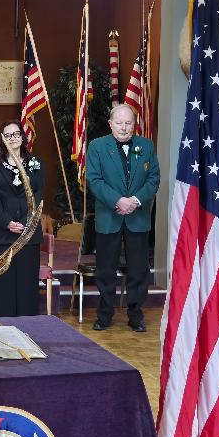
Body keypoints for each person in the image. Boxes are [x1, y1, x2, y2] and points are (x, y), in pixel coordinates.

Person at [85, 103, 160, 332]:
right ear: (110, 124)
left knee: (138, 270)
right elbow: (94, 180)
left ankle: (135, 314)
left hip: (137, 219)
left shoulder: (146, 146)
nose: (124, 127)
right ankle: (105, 314)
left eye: (128, 123)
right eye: (119, 123)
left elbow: (153, 179)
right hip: (110, 216)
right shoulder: (97, 147)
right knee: (106, 269)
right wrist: (118, 200)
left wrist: (135, 201)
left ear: (134, 125)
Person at [0, 121, 45, 317]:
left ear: (22, 136)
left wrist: (29, 221)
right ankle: (2, 326)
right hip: (2, 234)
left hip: (29, 234)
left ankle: (27, 327)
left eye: (16, 134)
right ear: (2, 139)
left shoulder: (35, 163)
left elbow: (38, 193)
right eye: (8, 135)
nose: (13, 138)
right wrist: (6, 222)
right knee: (3, 284)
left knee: (27, 283)